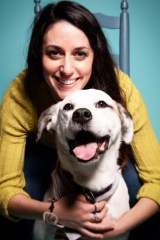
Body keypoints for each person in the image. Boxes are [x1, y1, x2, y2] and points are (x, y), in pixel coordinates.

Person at [0, 1, 160, 239]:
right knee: (26, 197)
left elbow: (156, 179)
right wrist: (53, 212)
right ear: (38, 55)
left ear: (95, 55)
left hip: (105, 158)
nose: (66, 69)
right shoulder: (20, 95)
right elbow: (6, 189)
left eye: (80, 54)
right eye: (54, 52)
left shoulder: (121, 89)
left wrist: (119, 228)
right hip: (44, 156)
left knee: (139, 192)